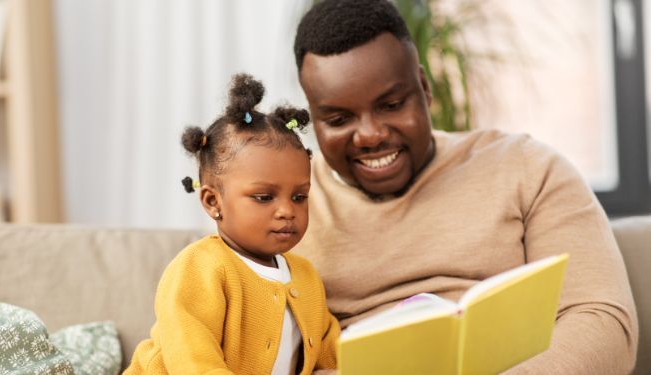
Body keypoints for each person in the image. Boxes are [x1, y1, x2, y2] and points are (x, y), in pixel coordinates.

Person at [291, 0, 638, 373]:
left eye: (391, 104)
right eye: (339, 119)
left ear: (424, 89)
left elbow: (601, 321)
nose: (371, 135)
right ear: (314, 119)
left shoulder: (528, 168)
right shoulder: (285, 211)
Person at [124, 74, 339, 375]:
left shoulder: (305, 277)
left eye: (299, 196)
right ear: (213, 202)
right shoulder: (200, 268)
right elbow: (193, 361)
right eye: (264, 197)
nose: (287, 211)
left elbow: (331, 351)